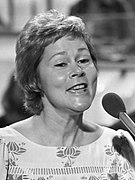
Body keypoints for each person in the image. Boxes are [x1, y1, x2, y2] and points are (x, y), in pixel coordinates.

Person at [0, 9, 135, 180]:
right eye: (61, 64)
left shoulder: (119, 146)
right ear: (35, 79)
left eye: (84, 60)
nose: (77, 71)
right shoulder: (5, 148)